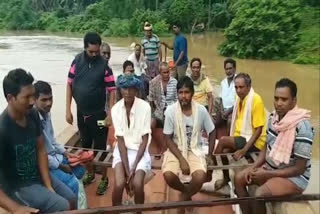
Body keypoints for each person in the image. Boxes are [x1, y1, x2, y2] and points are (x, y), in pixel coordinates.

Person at [0, 69, 76, 213]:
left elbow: (41, 150)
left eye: (33, 95)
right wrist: (15, 208)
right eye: (26, 97)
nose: (32, 101)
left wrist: (48, 185)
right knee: (62, 206)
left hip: (37, 176)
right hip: (18, 187)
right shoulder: (3, 129)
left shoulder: (32, 114)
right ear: (10, 98)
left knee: (71, 198)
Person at [234, 78, 314, 214]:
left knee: (259, 195)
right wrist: (254, 167)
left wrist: (267, 174)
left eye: (284, 99)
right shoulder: (273, 118)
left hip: (293, 178)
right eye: (276, 98)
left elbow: (299, 169)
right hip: (271, 168)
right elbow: (266, 147)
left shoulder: (302, 128)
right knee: (238, 178)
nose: (279, 103)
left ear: (293, 101)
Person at [66, 32, 116, 195]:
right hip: (82, 114)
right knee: (86, 146)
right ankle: (91, 174)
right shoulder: (77, 61)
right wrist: (68, 109)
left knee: (101, 149)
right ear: (85, 48)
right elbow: (69, 84)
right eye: (91, 52)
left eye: (96, 52)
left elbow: (112, 90)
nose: (94, 55)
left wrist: (110, 114)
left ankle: (104, 179)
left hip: (99, 115)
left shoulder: (104, 66)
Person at [162, 76, 216, 214]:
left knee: (200, 177)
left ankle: (183, 198)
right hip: (176, 149)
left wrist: (210, 154)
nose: (183, 96)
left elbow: (212, 131)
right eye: (180, 92)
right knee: (168, 175)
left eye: (186, 92)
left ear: (192, 93)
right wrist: (181, 159)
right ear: (177, 94)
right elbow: (167, 139)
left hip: (194, 149)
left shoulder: (201, 111)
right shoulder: (170, 111)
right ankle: (187, 193)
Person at [214, 73, 267, 190]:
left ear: (249, 87)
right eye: (236, 87)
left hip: (255, 142)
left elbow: (259, 129)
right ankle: (226, 177)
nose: (238, 90)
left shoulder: (256, 100)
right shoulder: (239, 98)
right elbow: (235, 119)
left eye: (241, 87)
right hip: (242, 137)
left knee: (222, 141)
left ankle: (210, 168)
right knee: (225, 151)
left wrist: (244, 150)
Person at [34, 80, 85, 197]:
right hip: (46, 164)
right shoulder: (33, 120)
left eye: (50, 99)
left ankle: (73, 198)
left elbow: (52, 141)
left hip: (54, 158)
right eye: (44, 100)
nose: (48, 103)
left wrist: (66, 154)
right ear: (34, 100)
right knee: (72, 184)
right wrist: (61, 166)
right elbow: (40, 155)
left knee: (80, 170)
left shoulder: (47, 114)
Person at [111, 75, 151, 214]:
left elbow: (145, 140)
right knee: (119, 184)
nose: (128, 92)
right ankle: (115, 211)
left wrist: (134, 168)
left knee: (138, 185)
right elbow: (120, 142)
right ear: (120, 90)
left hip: (140, 150)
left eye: (131, 88)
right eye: (125, 88)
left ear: (136, 90)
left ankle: (138, 211)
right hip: (122, 151)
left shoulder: (145, 107)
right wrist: (128, 171)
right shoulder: (115, 109)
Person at [148, 62, 178, 154]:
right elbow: (151, 99)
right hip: (158, 112)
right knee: (150, 124)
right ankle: (154, 145)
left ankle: (165, 149)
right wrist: (153, 114)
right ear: (160, 72)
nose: (166, 74)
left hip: (171, 110)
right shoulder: (153, 82)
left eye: (168, 72)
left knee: (169, 123)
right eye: (164, 72)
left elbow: (177, 100)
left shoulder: (174, 82)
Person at [213, 58, 237, 132]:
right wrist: (222, 110)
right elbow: (221, 98)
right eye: (226, 69)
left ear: (234, 69)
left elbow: (239, 101)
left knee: (230, 121)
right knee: (214, 122)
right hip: (224, 109)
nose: (228, 71)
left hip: (234, 110)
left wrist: (228, 111)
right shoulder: (223, 82)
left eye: (230, 68)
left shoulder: (238, 81)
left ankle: (229, 139)